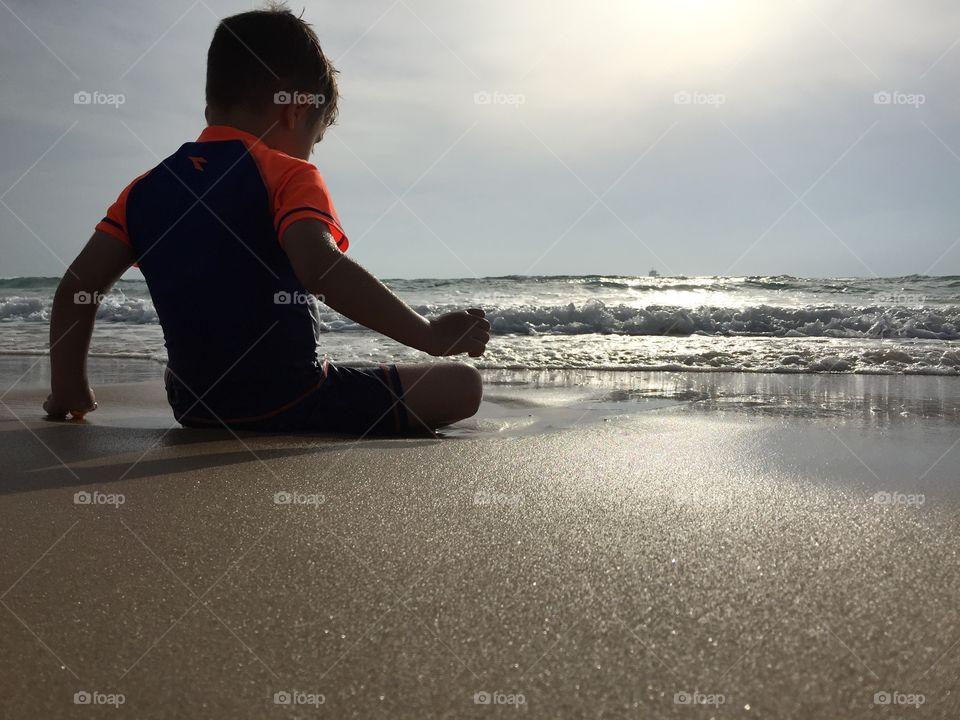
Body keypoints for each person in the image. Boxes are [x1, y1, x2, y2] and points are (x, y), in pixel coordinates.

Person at [43, 4, 489, 435]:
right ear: (295, 110)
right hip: (293, 398)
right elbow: (322, 269)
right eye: (314, 139)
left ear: (210, 110)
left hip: (193, 405)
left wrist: (69, 389)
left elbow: (77, 289)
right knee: (463, 385)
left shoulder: (142, 190)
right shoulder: (288, 174)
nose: (309, 154)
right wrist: (429, 334)